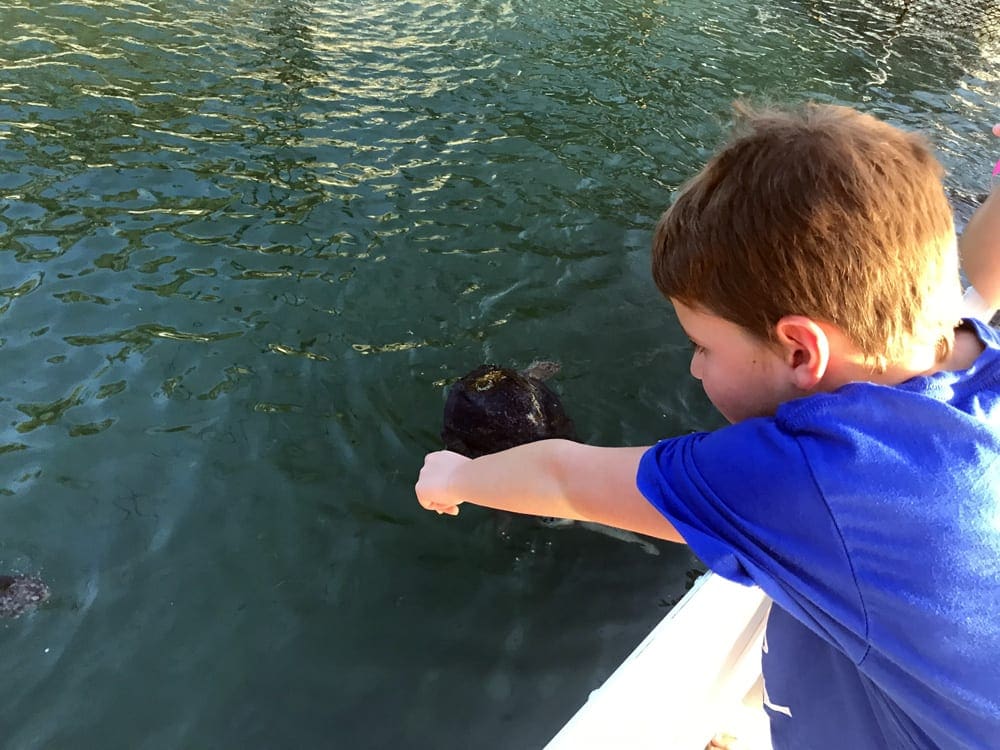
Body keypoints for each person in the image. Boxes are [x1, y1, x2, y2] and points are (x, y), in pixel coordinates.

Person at [415, 103, 1000, 749]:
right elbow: (976, 286)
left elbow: (562, 477)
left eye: (701, 346)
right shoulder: (975, 353)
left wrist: (457, 474)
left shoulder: (810, 478)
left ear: (802, 351)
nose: (694, 370)